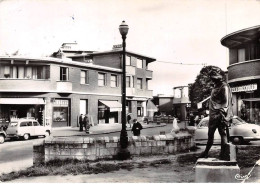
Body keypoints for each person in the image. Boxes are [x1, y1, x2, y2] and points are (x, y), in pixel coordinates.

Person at [199, 67, 233, 160]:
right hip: (213, 114)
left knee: (222, 133)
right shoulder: (215, 86)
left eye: (213, 77)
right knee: (211, 134)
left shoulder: (224, 86)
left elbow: (226, 102)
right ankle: (206, 152)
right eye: (212, 77)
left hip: (219, 114)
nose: (212, 79)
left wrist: (222, 112)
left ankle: (224, 154)